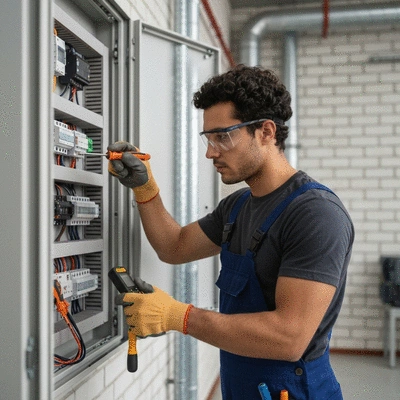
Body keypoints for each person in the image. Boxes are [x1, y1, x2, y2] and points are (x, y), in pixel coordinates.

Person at [108, 65, 354, 400]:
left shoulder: (315, 214)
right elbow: (174, 247)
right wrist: (145, 189)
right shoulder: (238, 206)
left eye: (223, 136)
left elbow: (289, 338)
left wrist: (177, 316)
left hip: (293, 391)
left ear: (265, 132)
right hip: (244, 385)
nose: (210, 152)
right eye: (208, 138)